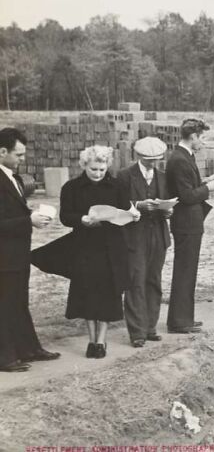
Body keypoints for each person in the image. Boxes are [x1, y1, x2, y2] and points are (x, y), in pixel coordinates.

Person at [59, 146, 138, 358]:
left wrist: (132, 214)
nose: (98, 173)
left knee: (107, 293)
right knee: (87, 292)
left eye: (102, 169)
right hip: (84, 246)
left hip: (111, 247)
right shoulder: (71, 187)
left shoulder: (117, 185)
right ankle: (91, 340)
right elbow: (65, 216)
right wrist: (81, 219)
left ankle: (101, 341)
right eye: (94, 169)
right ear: (84, 165)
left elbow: (124, 210)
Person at [0, 128, 59, 372]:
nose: (23, 159)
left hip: (16, 254)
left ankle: (27, 348)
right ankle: (5, 357)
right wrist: (29, 220)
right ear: (2, 152)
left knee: (19, 302)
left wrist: (29, 212)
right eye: (19, 154)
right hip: (4, 256)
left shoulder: (10, 176)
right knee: (5, 304)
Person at [166, 118, 214, 334]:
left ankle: (184, 318)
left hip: (189, 222)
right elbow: (186, 196)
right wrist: (209, 187)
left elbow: (189, 188)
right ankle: (179, 321)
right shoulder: (180, 159)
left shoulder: (184, 156)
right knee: (185, 271)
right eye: (202, 137)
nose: (203, 142)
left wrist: (206, 181)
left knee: (188, 270)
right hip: (186, 222)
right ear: (193, 136)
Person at [117, 137, 171, 348]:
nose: (152, 164)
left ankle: (150, 327)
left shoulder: (163, 177)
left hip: (158, 233)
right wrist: (138, 205)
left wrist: (167, 210)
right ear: (139, 157)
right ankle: (137, 332)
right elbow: (117, 205)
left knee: (154, 281)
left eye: (156, 160)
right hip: (134, 235)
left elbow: (167, 200)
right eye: (149, 160)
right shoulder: (124, 176)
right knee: (135, 281)